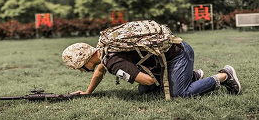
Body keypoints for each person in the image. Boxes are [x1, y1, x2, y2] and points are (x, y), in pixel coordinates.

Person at [62, 41, 241, 98]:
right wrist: (87, 92)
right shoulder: (104, 48)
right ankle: (192, 76)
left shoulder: (112, 62)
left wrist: (130, 76)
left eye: (79, 67)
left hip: (178, 54)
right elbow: (99, 71)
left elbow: (148, 79)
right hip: (168, 55)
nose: (80, 70)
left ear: (84, 60)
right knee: (144, 90)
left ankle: (224, 75)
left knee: (180, 94)